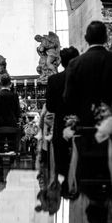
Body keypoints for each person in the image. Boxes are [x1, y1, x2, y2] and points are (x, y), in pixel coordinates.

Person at [64, 21, 112, 124]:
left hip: (85, 121)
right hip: (111, 120)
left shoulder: (75, 63)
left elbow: (68, 97)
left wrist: (80, 113)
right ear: (105, 38)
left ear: (86, 38)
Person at [46, 46, 79, 178]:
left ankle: (65, 189)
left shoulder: (54, 80)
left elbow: (50, 107)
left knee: (62, 165)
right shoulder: (84, 78)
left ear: (62, 62)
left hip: (61, 125)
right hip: (81, 125)